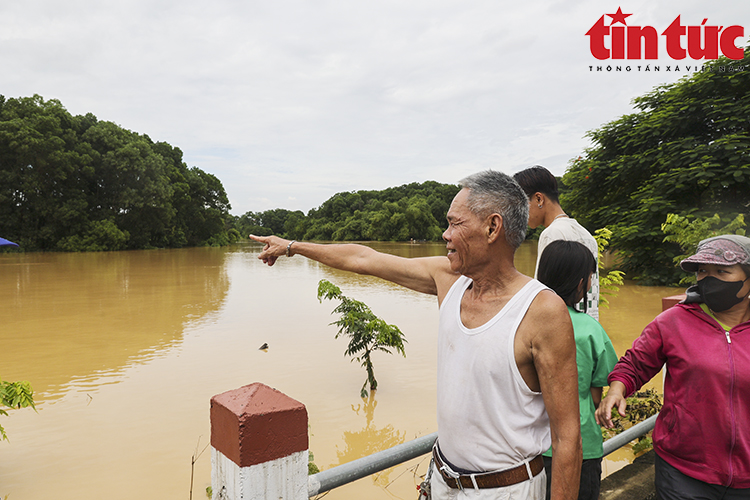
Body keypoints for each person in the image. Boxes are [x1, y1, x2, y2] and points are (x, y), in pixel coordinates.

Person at [251, 170, 582, 499]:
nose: (445, 234)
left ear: (492, 227)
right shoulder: (448, 281)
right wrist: (292, 247)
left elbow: (567, 436)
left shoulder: (541, 311)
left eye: (455, 223)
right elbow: (363, 258)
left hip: (506, 491)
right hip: (442, 482)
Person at [596, 234, 750, 499]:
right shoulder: (673, 322)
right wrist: (616, 390)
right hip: (682, 473)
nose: (708, 279)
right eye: (703, 271)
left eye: (722, 271)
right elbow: (635, 363)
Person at [537, 240, 618, 500]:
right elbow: (598, 391)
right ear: (579, 282)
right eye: (590, 277)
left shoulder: (525, 322)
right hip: (580, 442)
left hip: (531, 444)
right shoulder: (590, 329)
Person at [513, 166, 600, 320]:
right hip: (588, 324)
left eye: (521, 205)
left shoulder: (552, 234)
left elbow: (544, 293)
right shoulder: (586, 234)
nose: (520, 214)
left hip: (563, 326)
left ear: (539, 199)